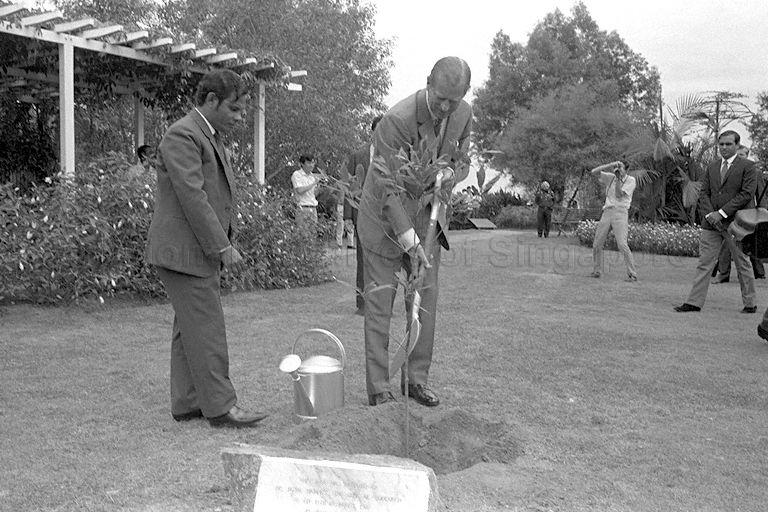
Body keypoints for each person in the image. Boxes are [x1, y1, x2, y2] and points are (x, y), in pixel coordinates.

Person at [145, 69, 267, 428]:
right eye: (235, 108)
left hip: (189, 250)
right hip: (186, 252)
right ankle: (221, 408)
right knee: (208, 327)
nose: (240, 117)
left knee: (189, 328)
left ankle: (187, 402)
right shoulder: (183, 134)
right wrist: (223, 247)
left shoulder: (205, 134)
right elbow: (193, 198)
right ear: (211, 100)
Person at [357, 56, 472, 407]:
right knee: (380, 306)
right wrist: (410, 242)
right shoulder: (396, 121)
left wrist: (452, 176)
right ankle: (379, 388)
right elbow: (386, 189)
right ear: (427, 82)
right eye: (440, 98)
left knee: (423, 306)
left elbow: (462, 160)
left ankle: (415, 380)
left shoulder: (463, 114)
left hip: (428, 222)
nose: (446, 107)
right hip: (384, 224)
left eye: (454, 100)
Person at [675, 130, 757, 313]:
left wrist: (721, 213)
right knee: (705, 262)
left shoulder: (748, 166)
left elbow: (746, 194)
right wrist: (710, 215)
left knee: (742, 262)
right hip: (711, 224)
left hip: (736, 223)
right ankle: (693, 303)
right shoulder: (712, 166)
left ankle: (750, 303)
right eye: (721, 144)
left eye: (728, 144)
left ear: (737, 145)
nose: (724, 147)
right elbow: (704, 193)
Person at [344, 115, 383, 316]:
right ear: (372, 131)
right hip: (361, 215)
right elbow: (350, 188)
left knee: (383, 262)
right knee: (362, 259)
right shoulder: (357, 155)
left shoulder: (392, 155)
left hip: (384, 217)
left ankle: (381, 303)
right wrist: (348, 217)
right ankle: (362, 303)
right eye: (378, 130)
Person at [711, 145, 765, 282]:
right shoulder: (729, 171)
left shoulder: (755, 172)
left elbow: (761, 194)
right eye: (737, 155)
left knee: (751, 242)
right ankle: (723, 274)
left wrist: (763, 211)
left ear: (747, 156)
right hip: (730, 212)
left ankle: (759, 272)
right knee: (727, 242)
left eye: (742, 155)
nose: (739, 158)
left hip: (748, 214)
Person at [589, 159, 638, 281]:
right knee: (597, 243)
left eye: (620, 167)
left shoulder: (631, 180)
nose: (618, 169)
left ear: (626, 170)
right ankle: (596, 271)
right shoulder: (610, 177)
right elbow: (593, 172)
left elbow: (619, 194)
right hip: (607, 212)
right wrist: (610, 164)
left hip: (621, 212)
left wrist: (618, 179)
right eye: (617, 166)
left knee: (622, 244)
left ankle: (632, 273)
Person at [291, 154, 322, 232]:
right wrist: (314, 183)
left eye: (313, 163)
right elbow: (300, 190)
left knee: (312, 235)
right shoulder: (297, 174)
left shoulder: (313, 176)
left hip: (313, 208)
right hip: (302, 209)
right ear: (302, 164)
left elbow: (314, 195)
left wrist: (319, 186)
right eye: (309, 163)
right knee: (302, 235)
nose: (311, 165)